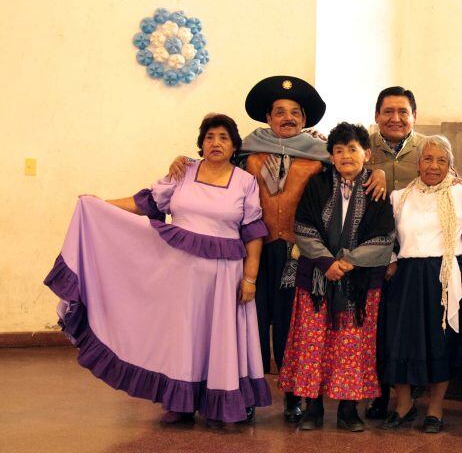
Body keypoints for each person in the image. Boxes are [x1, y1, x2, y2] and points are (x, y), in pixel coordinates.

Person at [167, 76, 387, 422]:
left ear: (305, 119)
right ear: (267, 117)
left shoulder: (321, 155)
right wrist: (182, 160)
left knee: (291, 324)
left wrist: (379, 174)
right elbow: (213, 166)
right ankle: (246, 393)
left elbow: (351, 172)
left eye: (295, 113)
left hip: (299, 254)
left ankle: (293, 396)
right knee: (249, 320)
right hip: (252, 249)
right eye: (280, 112)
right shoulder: (246, 152)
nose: (288, 118)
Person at [43, 114, 271, 425]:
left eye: (223, 138)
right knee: (182, 336)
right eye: (209, 137)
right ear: (201, 143)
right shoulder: (183, 172)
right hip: (178, 275)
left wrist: (250, 278)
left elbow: (253, 233)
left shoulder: (245, 182)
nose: (215, 143)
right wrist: (100, 203)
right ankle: (180, 402)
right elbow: (146, 203)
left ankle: (223, 403)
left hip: (224, 277)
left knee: (219, 337)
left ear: (234, 146)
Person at [278, 122, 396, 432]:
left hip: (359, 285)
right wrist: (327, 262)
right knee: (313, 345)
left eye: (352, 149)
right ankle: (313, 409)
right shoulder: (317, 185)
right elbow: (303, 227)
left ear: (366, 154)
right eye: (339, 150)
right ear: (331, 156)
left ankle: (348, 411)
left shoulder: (377, 188)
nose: (345, 155)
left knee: (352, 347)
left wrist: (347, 263)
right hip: (317, 279)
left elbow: (385, 239)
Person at [379, 135, 462, 433]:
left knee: (440, 342)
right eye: (428, 159)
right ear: (418, 163)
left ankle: (435, 408)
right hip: (406, 277)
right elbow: (388, 237)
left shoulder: (461, 194)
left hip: (445, 275)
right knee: (400, 340)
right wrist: (391, 258)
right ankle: (404, 405)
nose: (434, 166)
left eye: (441, 160)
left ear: (450, 165)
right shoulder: (400, 196)